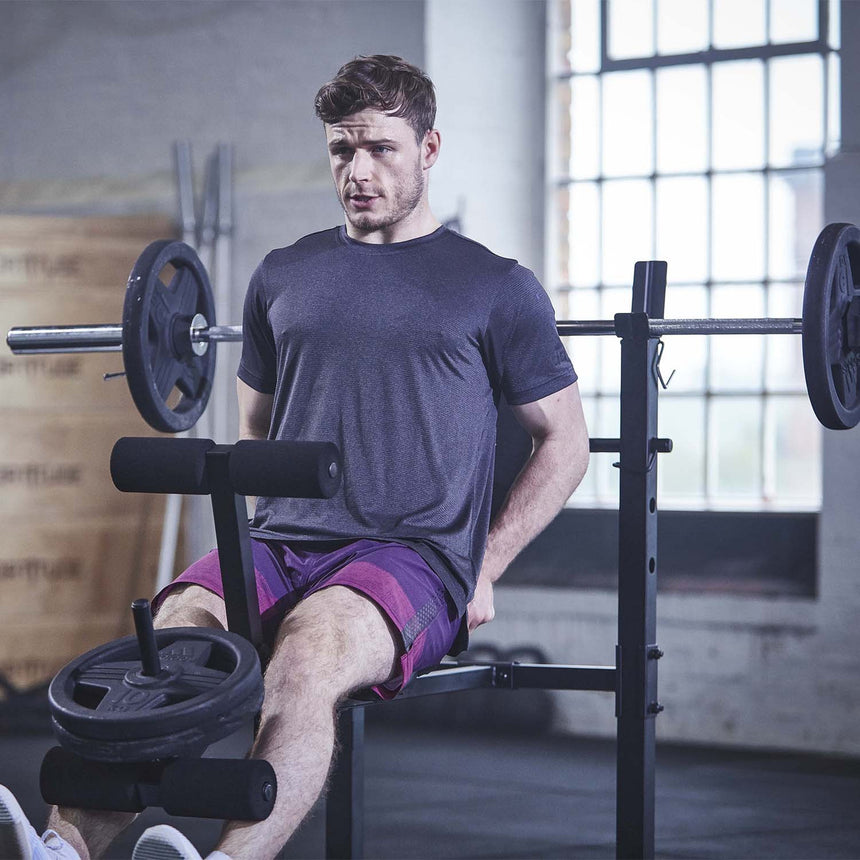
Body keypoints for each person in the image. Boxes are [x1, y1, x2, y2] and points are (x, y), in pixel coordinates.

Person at [0, 54, 589, 860]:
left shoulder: (494, 285)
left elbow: (567, 442)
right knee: (169, 644)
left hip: (409, 554)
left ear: (430, 147)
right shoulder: (284, 273)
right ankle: (63, 848)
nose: (358, 171)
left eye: (380, 148)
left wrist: (483, 565)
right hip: (278, 544)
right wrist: (260, 539)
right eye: (342, 152)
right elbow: (258, 427)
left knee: (309, 657)